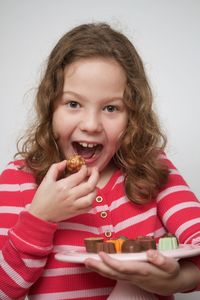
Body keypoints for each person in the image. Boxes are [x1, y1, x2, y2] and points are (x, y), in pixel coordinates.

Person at [0, 22, 200, 300]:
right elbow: (5, 288)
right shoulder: (20, 179)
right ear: (50, 107)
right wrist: (41, 217)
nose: (91, 124)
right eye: (73, 104)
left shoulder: (153, 168)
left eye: (111, 108)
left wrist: (175, 280)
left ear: (133, 115)